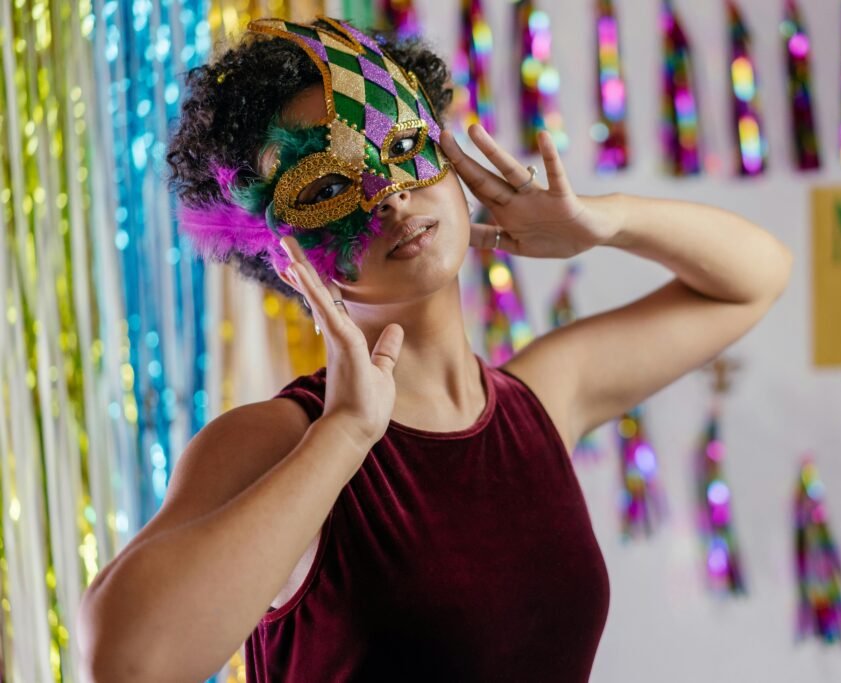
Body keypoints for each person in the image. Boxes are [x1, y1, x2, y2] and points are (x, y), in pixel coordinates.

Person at [76, 16, 792, 683]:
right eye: (328, 186)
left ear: (446, 158)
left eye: (403, 145)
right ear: (282, 251)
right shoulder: (285, 437)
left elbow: (751, 281)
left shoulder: (540, 401)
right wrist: (347, 433)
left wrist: (600, 223)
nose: (385, 197)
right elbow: (125, 659)